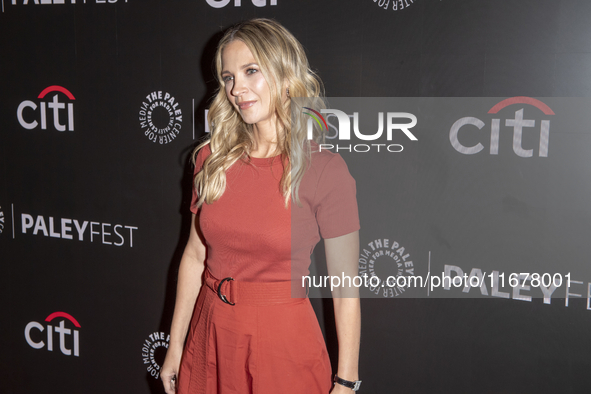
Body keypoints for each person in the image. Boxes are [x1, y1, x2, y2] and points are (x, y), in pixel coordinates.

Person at [161, 18, 361, 394]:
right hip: (211, 332)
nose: (237, 89)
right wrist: (175, 346)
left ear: (285, 75)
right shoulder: (211, 159)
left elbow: (345, 286)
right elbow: (194, 255)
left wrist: (346, 383)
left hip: (281, 344)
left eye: (251, 71)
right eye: (228, 77)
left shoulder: (325, 171)